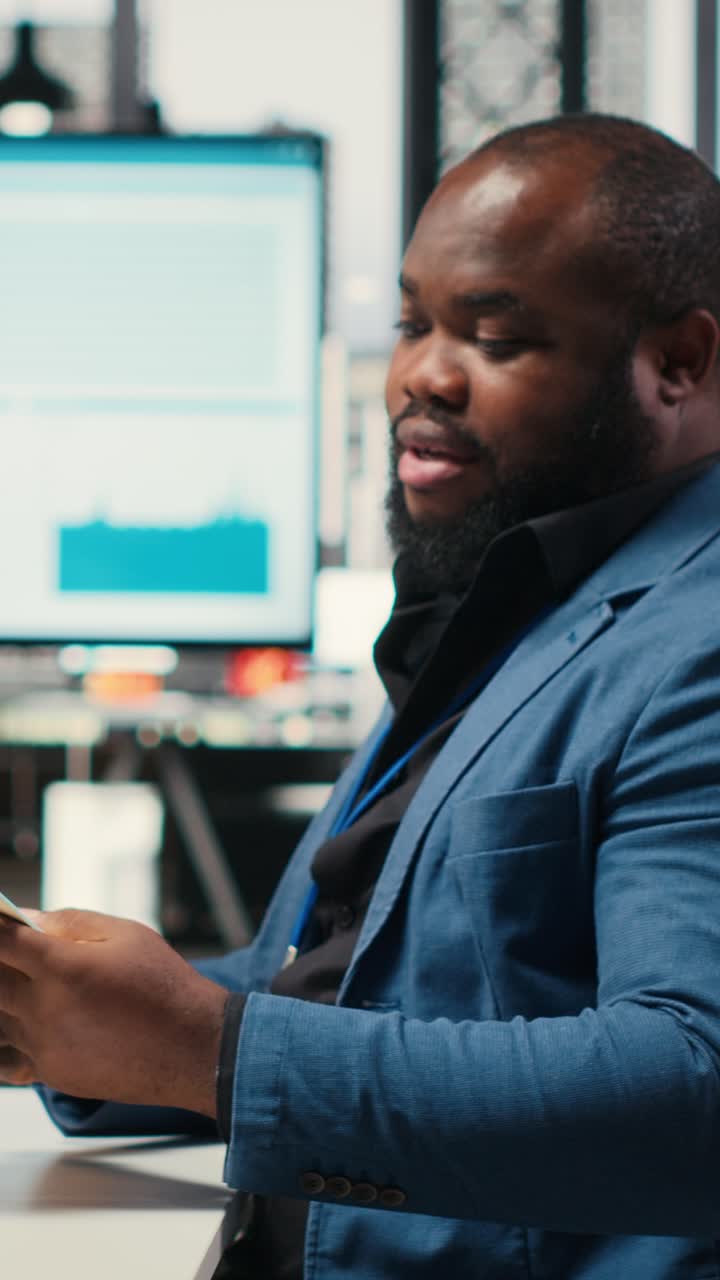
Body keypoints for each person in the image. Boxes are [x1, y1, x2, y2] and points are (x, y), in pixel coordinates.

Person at [2, 112, 720, 1279]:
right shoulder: (515, 587)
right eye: (411, 322)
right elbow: (370, 977)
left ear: (677, 361)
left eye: (493, 334)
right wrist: (52, 1014)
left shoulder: (698, 638)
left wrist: (214, 1050)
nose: (420, 374)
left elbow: (691, 1089)